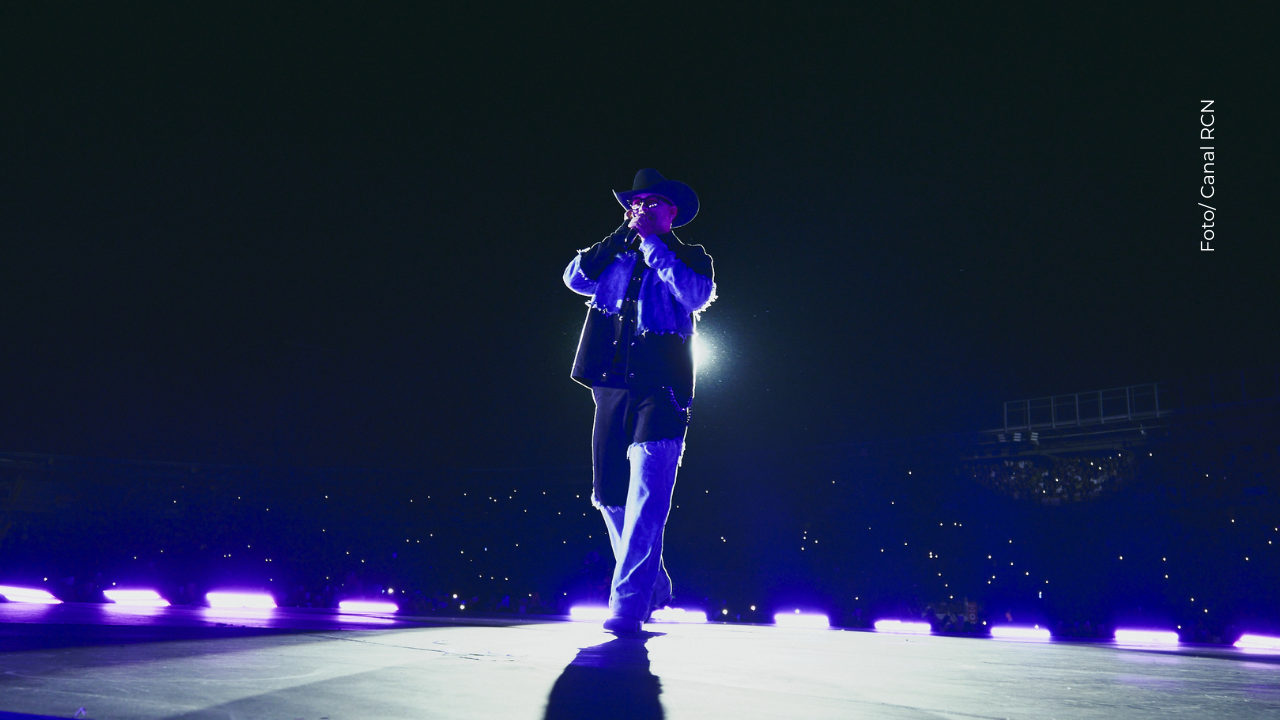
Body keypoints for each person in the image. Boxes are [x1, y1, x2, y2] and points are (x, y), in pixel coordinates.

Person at [562, 168, 716, 633]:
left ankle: (627, 604)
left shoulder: (691, 257)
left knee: (648, 498)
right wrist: (619, 237)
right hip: (610, 386)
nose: (643, 209)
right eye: (637, 203)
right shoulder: (616, 253)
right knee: (608, 496)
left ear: (672, 213)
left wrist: (654, 245)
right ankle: (653, 584)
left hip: (661, 387)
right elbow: (575, 279)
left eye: (654, 203)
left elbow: (695, 295)